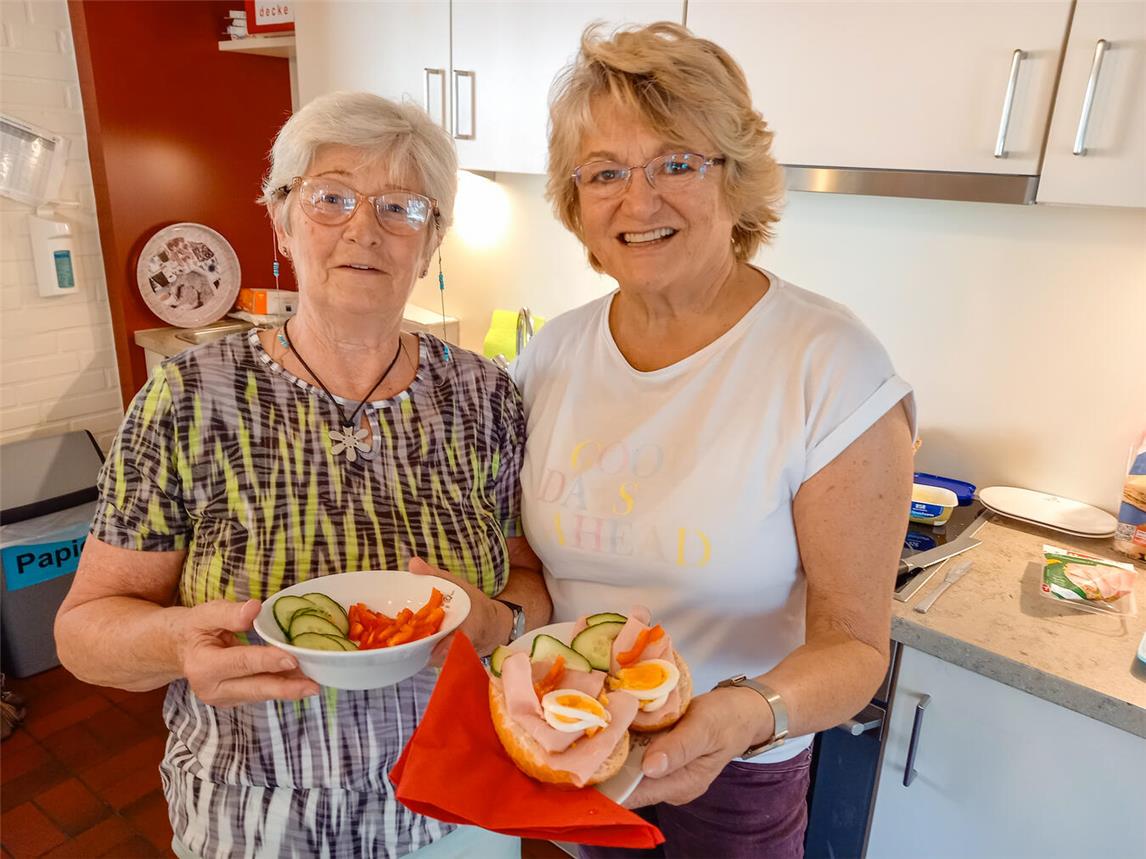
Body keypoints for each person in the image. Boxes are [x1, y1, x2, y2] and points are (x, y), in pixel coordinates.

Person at [54, 91, 549, 859]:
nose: (363, 228)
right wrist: (175, 642)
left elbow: (526, 578)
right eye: (331, 197)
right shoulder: (188, 397)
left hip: (458, 810)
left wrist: (505, 623)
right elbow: (83, 631)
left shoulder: (486, 398)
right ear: (281, 222)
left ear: (433, 242)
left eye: (401, 207)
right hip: (257, 821)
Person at [513, 23, 915, 858]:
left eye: (676, 162)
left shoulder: (829, 364)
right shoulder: (551, 353)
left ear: (736, 179)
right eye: (606, 173)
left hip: (737, 769)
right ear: (575, 204)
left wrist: (742, 714)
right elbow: (532, 571)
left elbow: (854, 647)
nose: (639, 199)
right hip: (567, 746)